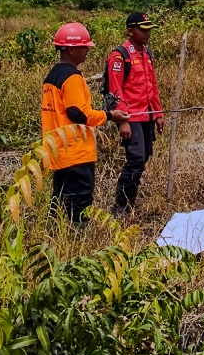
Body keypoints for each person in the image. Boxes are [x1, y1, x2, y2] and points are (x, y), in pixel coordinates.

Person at [42, 23, 129, 223]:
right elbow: (77, 113)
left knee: (59, 201)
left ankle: (55, 241)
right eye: (84, 47)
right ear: (71, 49)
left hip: (58, 150)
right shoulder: (72, 77)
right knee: (79, 205)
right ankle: (77, 244)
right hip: (76, 152)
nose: (88, 51)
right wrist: (109, 115)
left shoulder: (52, 75)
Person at [105, 13, 165, 217]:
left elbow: (152, 86)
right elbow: (115, 91)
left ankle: (130, 202)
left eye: (149, 29)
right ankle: (121, 206)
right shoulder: (120, 56)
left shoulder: (147, 53)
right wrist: (123, 121)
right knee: (136, 159)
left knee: (144, 156)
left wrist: (158, 114)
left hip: (147, 115)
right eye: (143, 29)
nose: (147, 33)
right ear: (130, 31)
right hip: (131, 117)